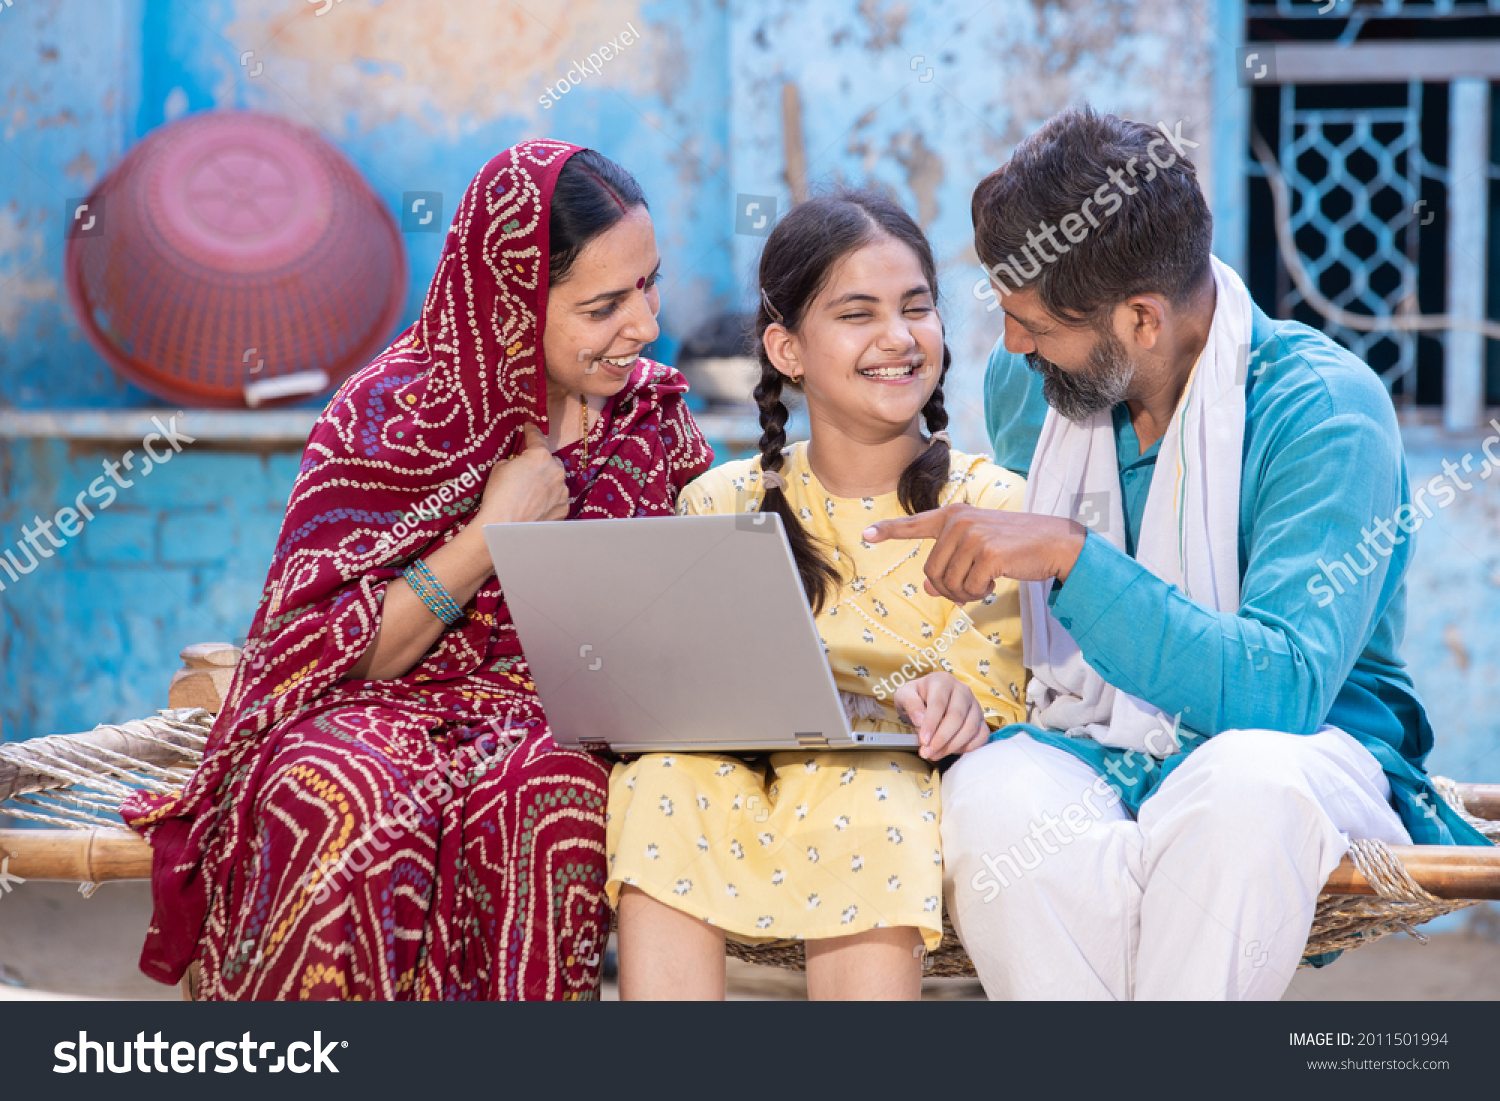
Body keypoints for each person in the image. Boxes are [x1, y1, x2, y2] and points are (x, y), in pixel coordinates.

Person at [866, 105, 1491, 1001]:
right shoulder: (1029, 386)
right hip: (1084, 739)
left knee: (1244, 789)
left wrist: (1073, 556)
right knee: (992, 792)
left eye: (1034, 322)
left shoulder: (1324, 412)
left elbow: (1280, 690)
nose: (1009, 345)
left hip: (1308, 749)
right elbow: (1009, 621)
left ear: (1143, 320)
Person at [120, 140, 713, 1000]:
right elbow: (321, 655)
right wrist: (489, 535)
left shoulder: (650, 418)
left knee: (544, 797)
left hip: (563, 726)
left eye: (650, 283)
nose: (647, 326)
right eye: (604, 305)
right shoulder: (385, 415)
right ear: (511, 305)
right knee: (338, 795)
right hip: (374, 704)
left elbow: (694, 621)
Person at [608, 191, 1028, 1000]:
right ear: (787, 349)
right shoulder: (718, 502)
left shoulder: (990, 509)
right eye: (858, 313)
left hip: (896, 794)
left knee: (868, 787)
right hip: (745, 782)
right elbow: (684, 691)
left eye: (917, 308)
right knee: (661, 778)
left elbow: (1006, 688)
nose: (899, 338)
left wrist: (962, 702)